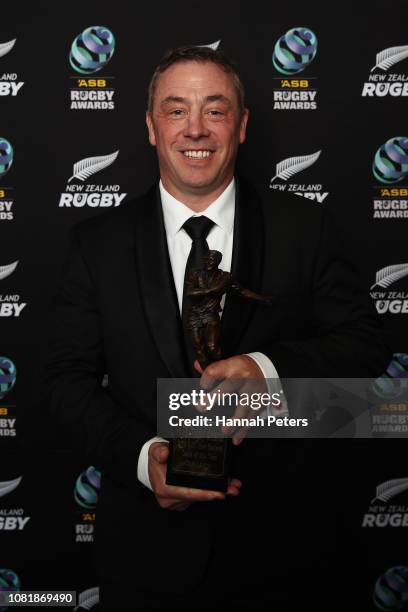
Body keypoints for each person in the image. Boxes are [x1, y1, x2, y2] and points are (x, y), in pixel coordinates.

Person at [38, 46, 392, 610]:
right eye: (176, 111)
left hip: (289, 554)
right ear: (151, 127)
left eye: (216, 110)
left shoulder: (306, 228)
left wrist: (268, 370)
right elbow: (63, 380)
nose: (195, 129)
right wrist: (142, 455)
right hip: (149, 558)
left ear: (243, 125)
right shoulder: (97, 244)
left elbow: (369, 347)